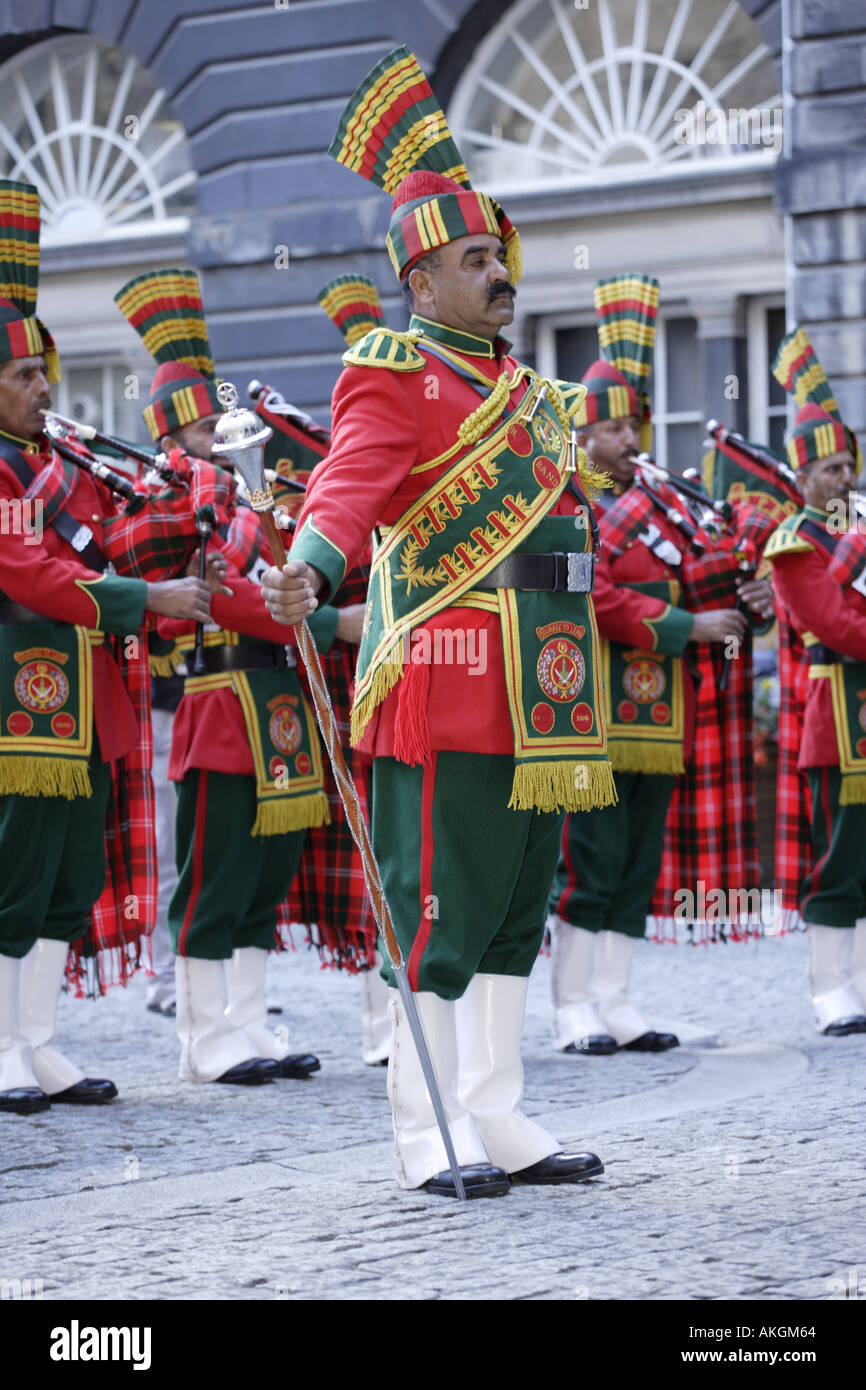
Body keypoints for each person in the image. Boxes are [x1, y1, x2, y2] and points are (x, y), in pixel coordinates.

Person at [261, 47, 614, 1198]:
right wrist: (312, 564)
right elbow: (350, 486)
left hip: (549, 685)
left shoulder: (538, 397)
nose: (497, 271)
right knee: (440, 909)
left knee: (516, 909)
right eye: (473, 258)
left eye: (500, 254)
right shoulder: (393, 371)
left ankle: (496, 1111)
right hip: (449, 682)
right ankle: (427, 1129)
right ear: (419, 282)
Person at [0, 181, 211, 1116]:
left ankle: (35, 1039)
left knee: (64, 880)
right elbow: (31, 575)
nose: (45, 388)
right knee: (14, 873)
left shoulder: (62, 466)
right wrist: (146, 596)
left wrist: (177, 510)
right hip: (19, 693)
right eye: (25, 378)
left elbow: (103, 550)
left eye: (42, 376)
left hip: (83, 694)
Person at [115, 266, 340, 1085]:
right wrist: (319, 615)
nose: (228, 432)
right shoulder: (169, 496)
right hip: (218, 697)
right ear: (178, 431)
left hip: (278, 695)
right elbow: (226, 599)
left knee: (262, 875)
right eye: (210, 423)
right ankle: (204, 1034)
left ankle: (247, 1024)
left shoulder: (251, 496)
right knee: (215, 873)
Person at [547, 273, 754, 1055]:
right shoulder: (571, 503)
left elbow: (706, 573)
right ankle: (572, 1007)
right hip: (593, 703)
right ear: (583, 437)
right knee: (590, 858)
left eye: (634, 427)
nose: (633, 440)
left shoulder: (667, 502)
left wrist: (744, 598)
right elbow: (592, 597)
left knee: (637, 862)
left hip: (661, 711)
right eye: (616, 430)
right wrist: (687, 624)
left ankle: (616, 999)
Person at [765, 325, 866, 1036]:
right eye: (828, 470)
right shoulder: (795, 543)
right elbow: (836, 625)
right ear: (801, 477)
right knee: (842, 856)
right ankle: (830, 988)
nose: (843, 479)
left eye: (847, 466)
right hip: (840, 714)